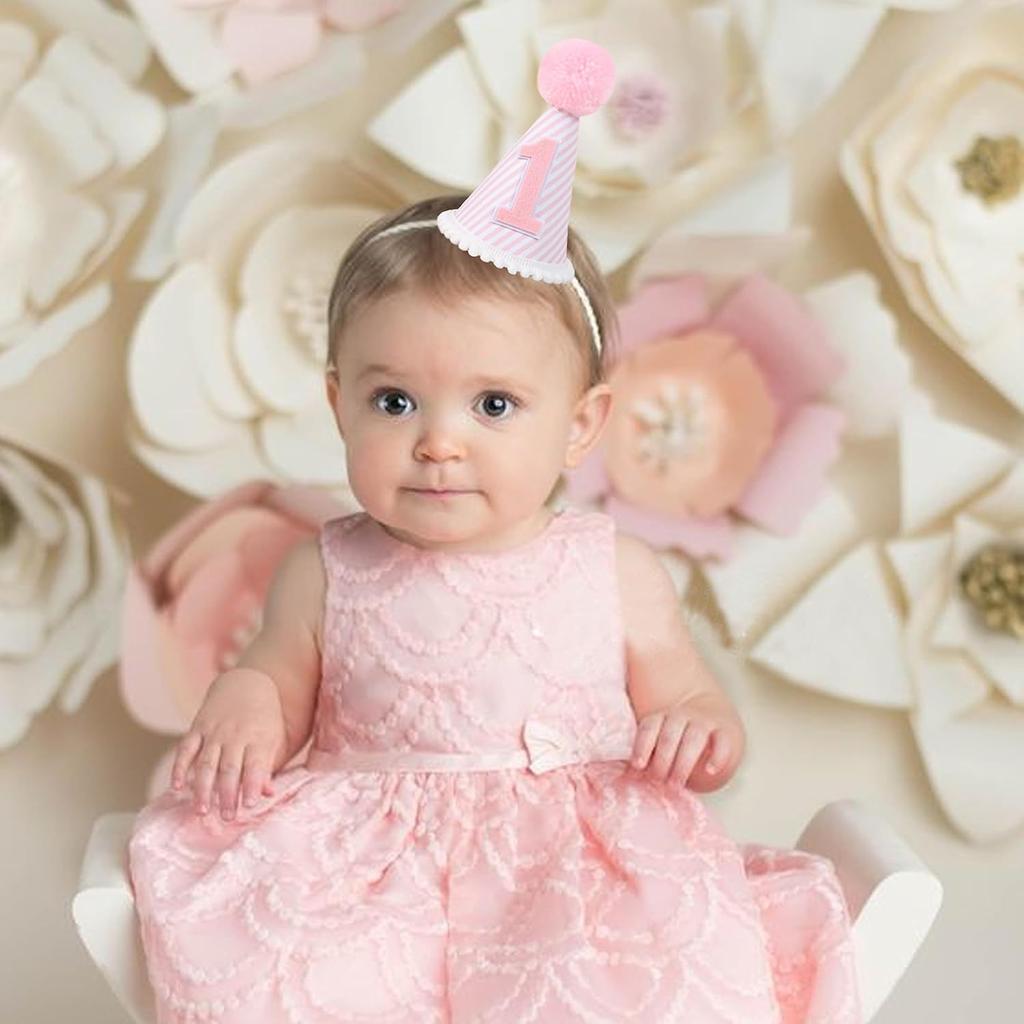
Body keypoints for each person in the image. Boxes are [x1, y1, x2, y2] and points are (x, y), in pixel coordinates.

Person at [128, 40, 861, 1023]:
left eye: (495, 406)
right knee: (303, 976)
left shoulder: (612, 569)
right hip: (369, 873)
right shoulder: (325, 567)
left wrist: (699, 729)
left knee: (621, 977)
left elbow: (690, 700)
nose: (437, 443)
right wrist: (247, 700)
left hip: (570, 869)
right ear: (339, 404)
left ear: (581, 425)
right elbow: (276, 678)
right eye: (394, 401)